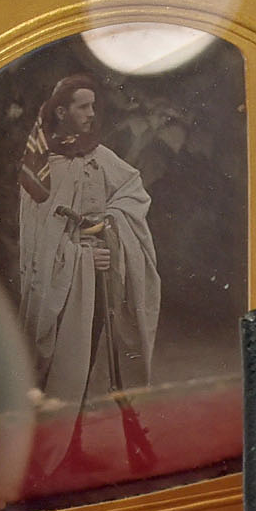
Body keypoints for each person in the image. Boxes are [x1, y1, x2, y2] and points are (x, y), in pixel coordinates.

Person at [16, 74, 161, 477]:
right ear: (62, 111)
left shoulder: (97, 156)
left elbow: (132, 191)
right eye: (83, 106)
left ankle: (76, 447)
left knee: (91, 361)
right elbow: (40, 240)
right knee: (58, 363)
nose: (91, 114)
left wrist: (110, 225)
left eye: (93, 106)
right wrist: (81, 257)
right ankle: (48, 455)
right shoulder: (42, 167)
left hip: (97, 283)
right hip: (62, 283)